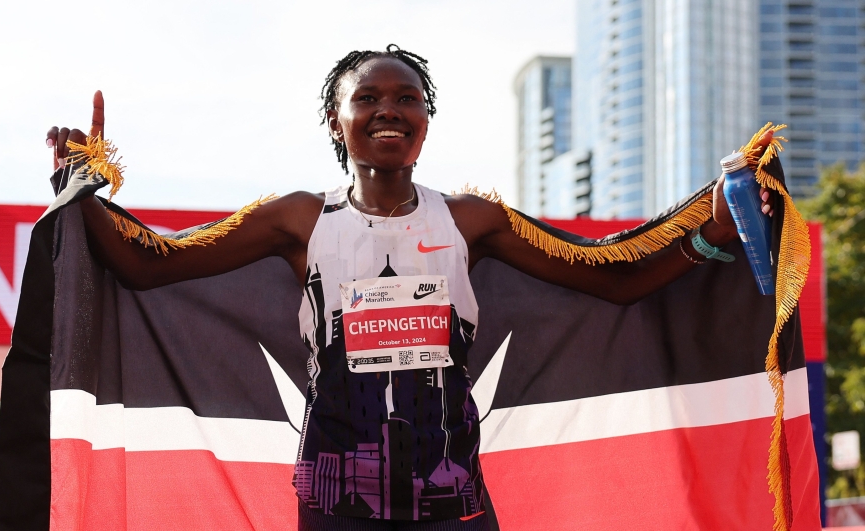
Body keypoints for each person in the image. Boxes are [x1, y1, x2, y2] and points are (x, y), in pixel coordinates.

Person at [46, 45, 774, 531]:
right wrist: (79, 180)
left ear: (426, 119)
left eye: (408, 97)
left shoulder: (471, 219)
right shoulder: (298, 219)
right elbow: (151, 265)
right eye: (369, 97)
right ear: (338, 119)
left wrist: (710, 225)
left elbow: (614, 277)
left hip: (450, 501)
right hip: (337, 502)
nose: (390, 108)